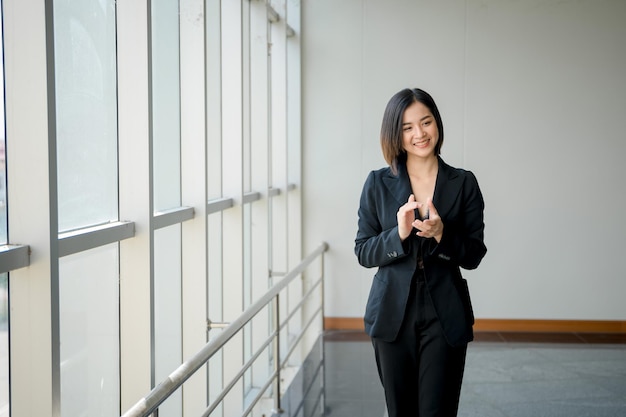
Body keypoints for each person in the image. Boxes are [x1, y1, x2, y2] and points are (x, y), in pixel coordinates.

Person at [354, 88, 487, 417]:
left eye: (426, 122)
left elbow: (473, 255)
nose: (419, 133)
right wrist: (398, 234)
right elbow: (363, 251)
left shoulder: (463, 182)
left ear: (436, 124)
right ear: (395, 134)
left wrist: (442, 234)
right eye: (408, 127)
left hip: (445, 310)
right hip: (391, 312)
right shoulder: (377, 183)